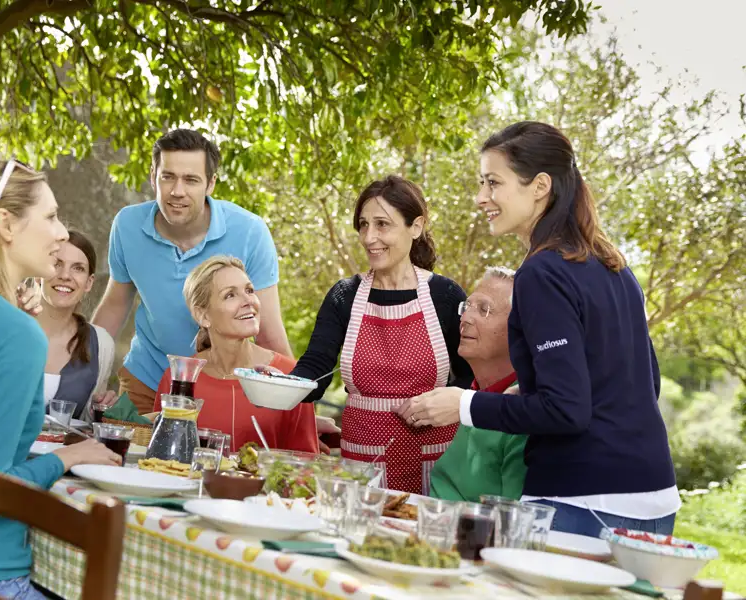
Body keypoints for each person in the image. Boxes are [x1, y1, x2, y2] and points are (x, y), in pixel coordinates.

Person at [396, 121, 679, 536]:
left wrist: (462, 405)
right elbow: (641, 384)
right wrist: (526, 392)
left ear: (540, 185)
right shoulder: (614, 267)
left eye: (494, 183)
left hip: (583, 501)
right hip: (654, 498)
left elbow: (566, 409)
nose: (481, 198)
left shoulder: (542, 272)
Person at [0, 158, 121, 598]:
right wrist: (65, 458)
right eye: (50, 216)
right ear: (5, 223)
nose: (62, 232)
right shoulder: (15, 332)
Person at [290, 175, 473, 494]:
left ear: (415, 226)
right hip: (361, 468)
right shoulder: (344, 296)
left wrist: (439, 405)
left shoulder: (445, 296)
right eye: (363, 224)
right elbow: (315, 370)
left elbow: (471, 381)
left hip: (436, 465)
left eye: (382, 224)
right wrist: (278, 386)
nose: (368, 237)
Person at [91, 129, 291, 414]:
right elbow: (114, 306)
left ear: (210, 184)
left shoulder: (250, 232)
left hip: (222, 385)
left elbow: (268, 334)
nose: (177, 191)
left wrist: (299, 408)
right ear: (153, 177)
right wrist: (81, 375)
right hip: (146, 379)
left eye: (191, 180)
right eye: (168, 177)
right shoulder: (127, 225)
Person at [153, 256, 318, 453]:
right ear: (203, 316)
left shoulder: (290, 376)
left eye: (249, 290)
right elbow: (161, 457)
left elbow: (305, 464)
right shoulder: (179, 377)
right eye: (230, 295)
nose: (248, 301)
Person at [428, 267, 527, 501]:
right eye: (467, 306)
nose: (465, 318)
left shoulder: (525, 407)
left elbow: (513, 522)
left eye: (484, 309)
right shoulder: (471, 394)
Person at [37, 230, 117, 421]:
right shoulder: (7, 329)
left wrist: (100, 409)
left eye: (78, 268)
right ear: (39, 270)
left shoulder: (100, 343)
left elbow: (86, 425)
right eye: (57, 264)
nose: (65, 275)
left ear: (89, 283)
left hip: (63, 451)